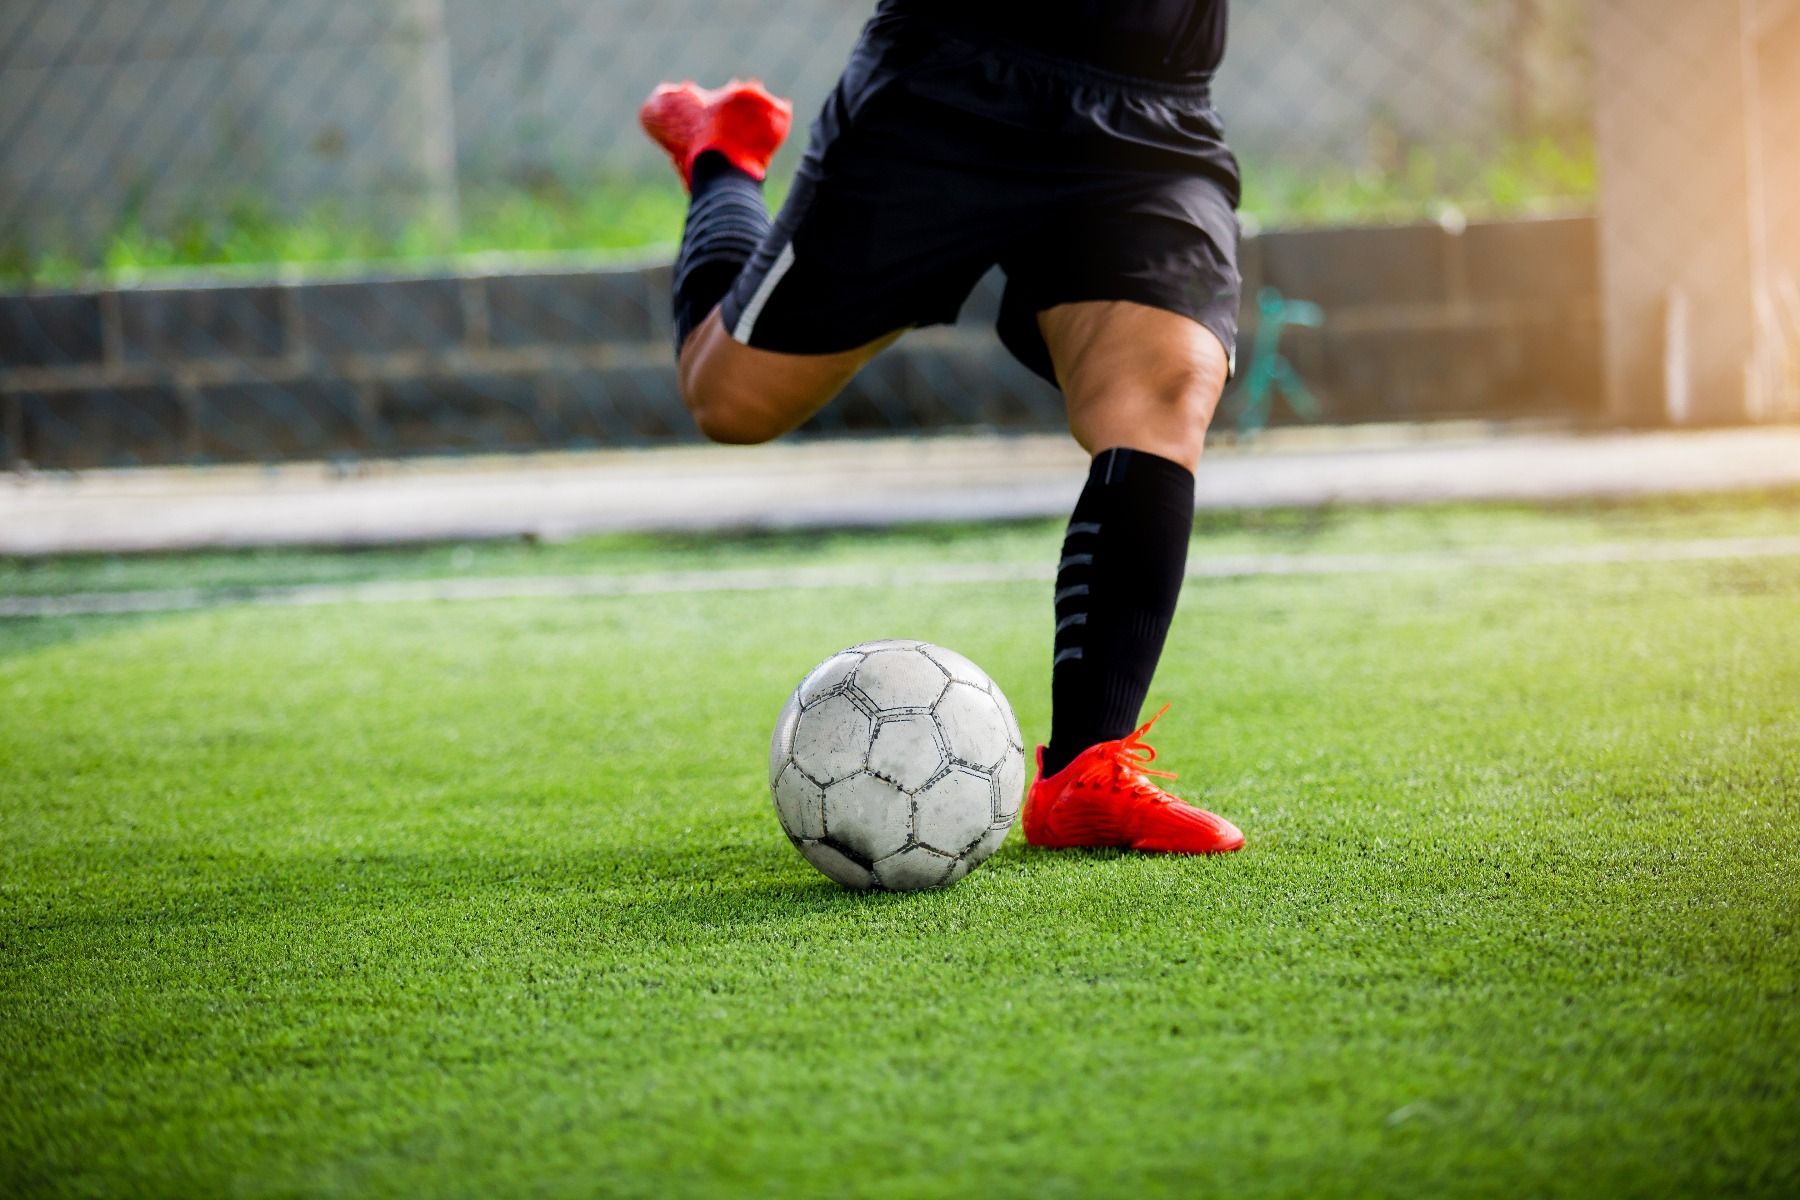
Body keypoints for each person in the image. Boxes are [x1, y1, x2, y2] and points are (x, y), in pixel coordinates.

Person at [640, 0, 1245, 853]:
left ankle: (1085, 769)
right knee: (730, 401)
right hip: (955, 72)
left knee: (1166, 387)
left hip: (1148, 100)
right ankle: (723, 154)